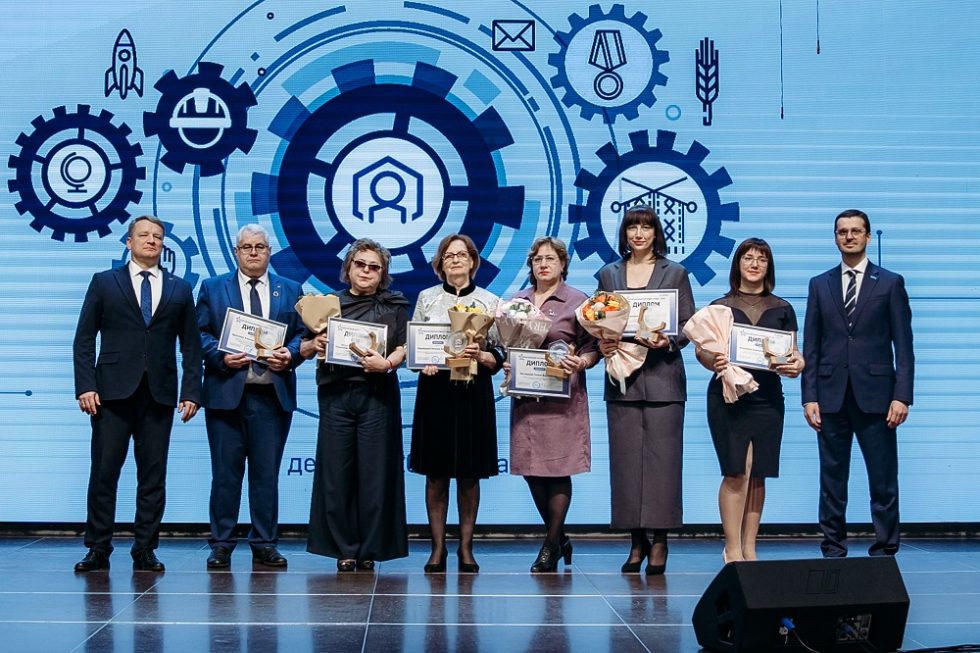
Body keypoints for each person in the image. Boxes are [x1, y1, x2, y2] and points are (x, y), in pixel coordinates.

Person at [72, 215, 201, 573]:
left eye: (157, 236)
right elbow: (84, 339)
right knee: (104, 473)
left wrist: (192, 391)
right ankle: (98, 547)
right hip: (110, 394)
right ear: (128, 242)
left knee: (153, 476)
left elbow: (191, 347)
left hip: (159, 394)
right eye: (143, 235)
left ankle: (145, 548)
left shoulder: (179, 288)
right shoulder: (104, 282)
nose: (151, 241)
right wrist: (85, 385)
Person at [803, 209, 914, 558]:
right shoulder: (819, 284)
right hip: (830, 395)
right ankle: (833, 548)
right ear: (835, 238)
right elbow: (811, 344)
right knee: (831, 480)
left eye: (855, 231)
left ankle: (885, 549)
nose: (849, 236)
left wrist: (902, 396)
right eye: (842, 231)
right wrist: (809, 396)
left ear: (867, 236)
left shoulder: (890, 282)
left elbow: (904, 346)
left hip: (878, 397)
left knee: (883, 479)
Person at [196, 224, 305, 569]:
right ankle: (222, 544)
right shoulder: (213, 288)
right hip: (226, 395)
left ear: (269, 252)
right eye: (247, 247)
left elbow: (303, 335)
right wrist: (220, 356)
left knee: (266, 475)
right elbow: (198, 334)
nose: (254, 252)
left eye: (260, 247)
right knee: (225, 476)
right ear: (236, 252)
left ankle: (264, 543)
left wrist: (290, 354)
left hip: (272, 396)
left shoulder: (291, 289)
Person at [597, 205, 695, 575]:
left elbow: (687, 324)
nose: (639, 234)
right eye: (632, 227)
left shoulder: (676, 272)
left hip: (663, 377)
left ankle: (661, 540)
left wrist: (668, 340)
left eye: (646, 227)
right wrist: (604, 340)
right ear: (624, 233)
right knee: (626, 465)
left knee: (663, 465)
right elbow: (598, 320)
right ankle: (636, 540)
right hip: (622, 380)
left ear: (656, 233)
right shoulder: (609, 274)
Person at [302, 239, 409, 572]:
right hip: (336, 396)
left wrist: (387, 364)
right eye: (360, 264)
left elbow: (404, 346)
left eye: (374, 267)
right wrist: (316, 343)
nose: (366, 271)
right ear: (348, 268)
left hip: (378, 396)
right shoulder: (326, 306)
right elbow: (303, 348)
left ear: (383, 274)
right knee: (337, 474)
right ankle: (344, 549)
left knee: (375, 475)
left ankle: (370, 549)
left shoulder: (394, 305)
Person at [695, 238, 804, 563]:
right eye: (748, 258)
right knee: (735, 471)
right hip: (729, 398)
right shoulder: (720, 306)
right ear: (737, 264)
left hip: (768, 398)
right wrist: (712, 360)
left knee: (758, 473)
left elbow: (793, 353)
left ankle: (750, 548)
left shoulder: (783, 308)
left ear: (769, 267)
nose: (755, 264)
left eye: (762, 259)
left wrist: (798, 364)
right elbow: (701, 350)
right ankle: (732, 549)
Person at [409, 234, 504, 574]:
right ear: (440, 264)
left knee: (469, 474)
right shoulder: (427, 298)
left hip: (473, 392)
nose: (455, 260)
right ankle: (437, 548)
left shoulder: (490, 301)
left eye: (462, 255)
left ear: (473, 261)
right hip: (435, 391)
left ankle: (466, 547)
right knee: (435, 475)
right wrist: (422, 362)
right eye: (448, 256)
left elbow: (501, 352)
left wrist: (483, 354)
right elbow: (415, 347)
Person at [506, 238, 599, 572]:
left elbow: (592, 347)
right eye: (537, 259)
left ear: (563, 264)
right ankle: (559, 538)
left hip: (562, 399)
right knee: (531, 470)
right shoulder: (517, 302)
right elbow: (505, 345)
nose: (543, 264)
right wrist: (507, 361)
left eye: (550, 259)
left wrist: (582, 362)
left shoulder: (578, 301)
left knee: (558, 471)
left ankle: (549, 546)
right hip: (527, 399)